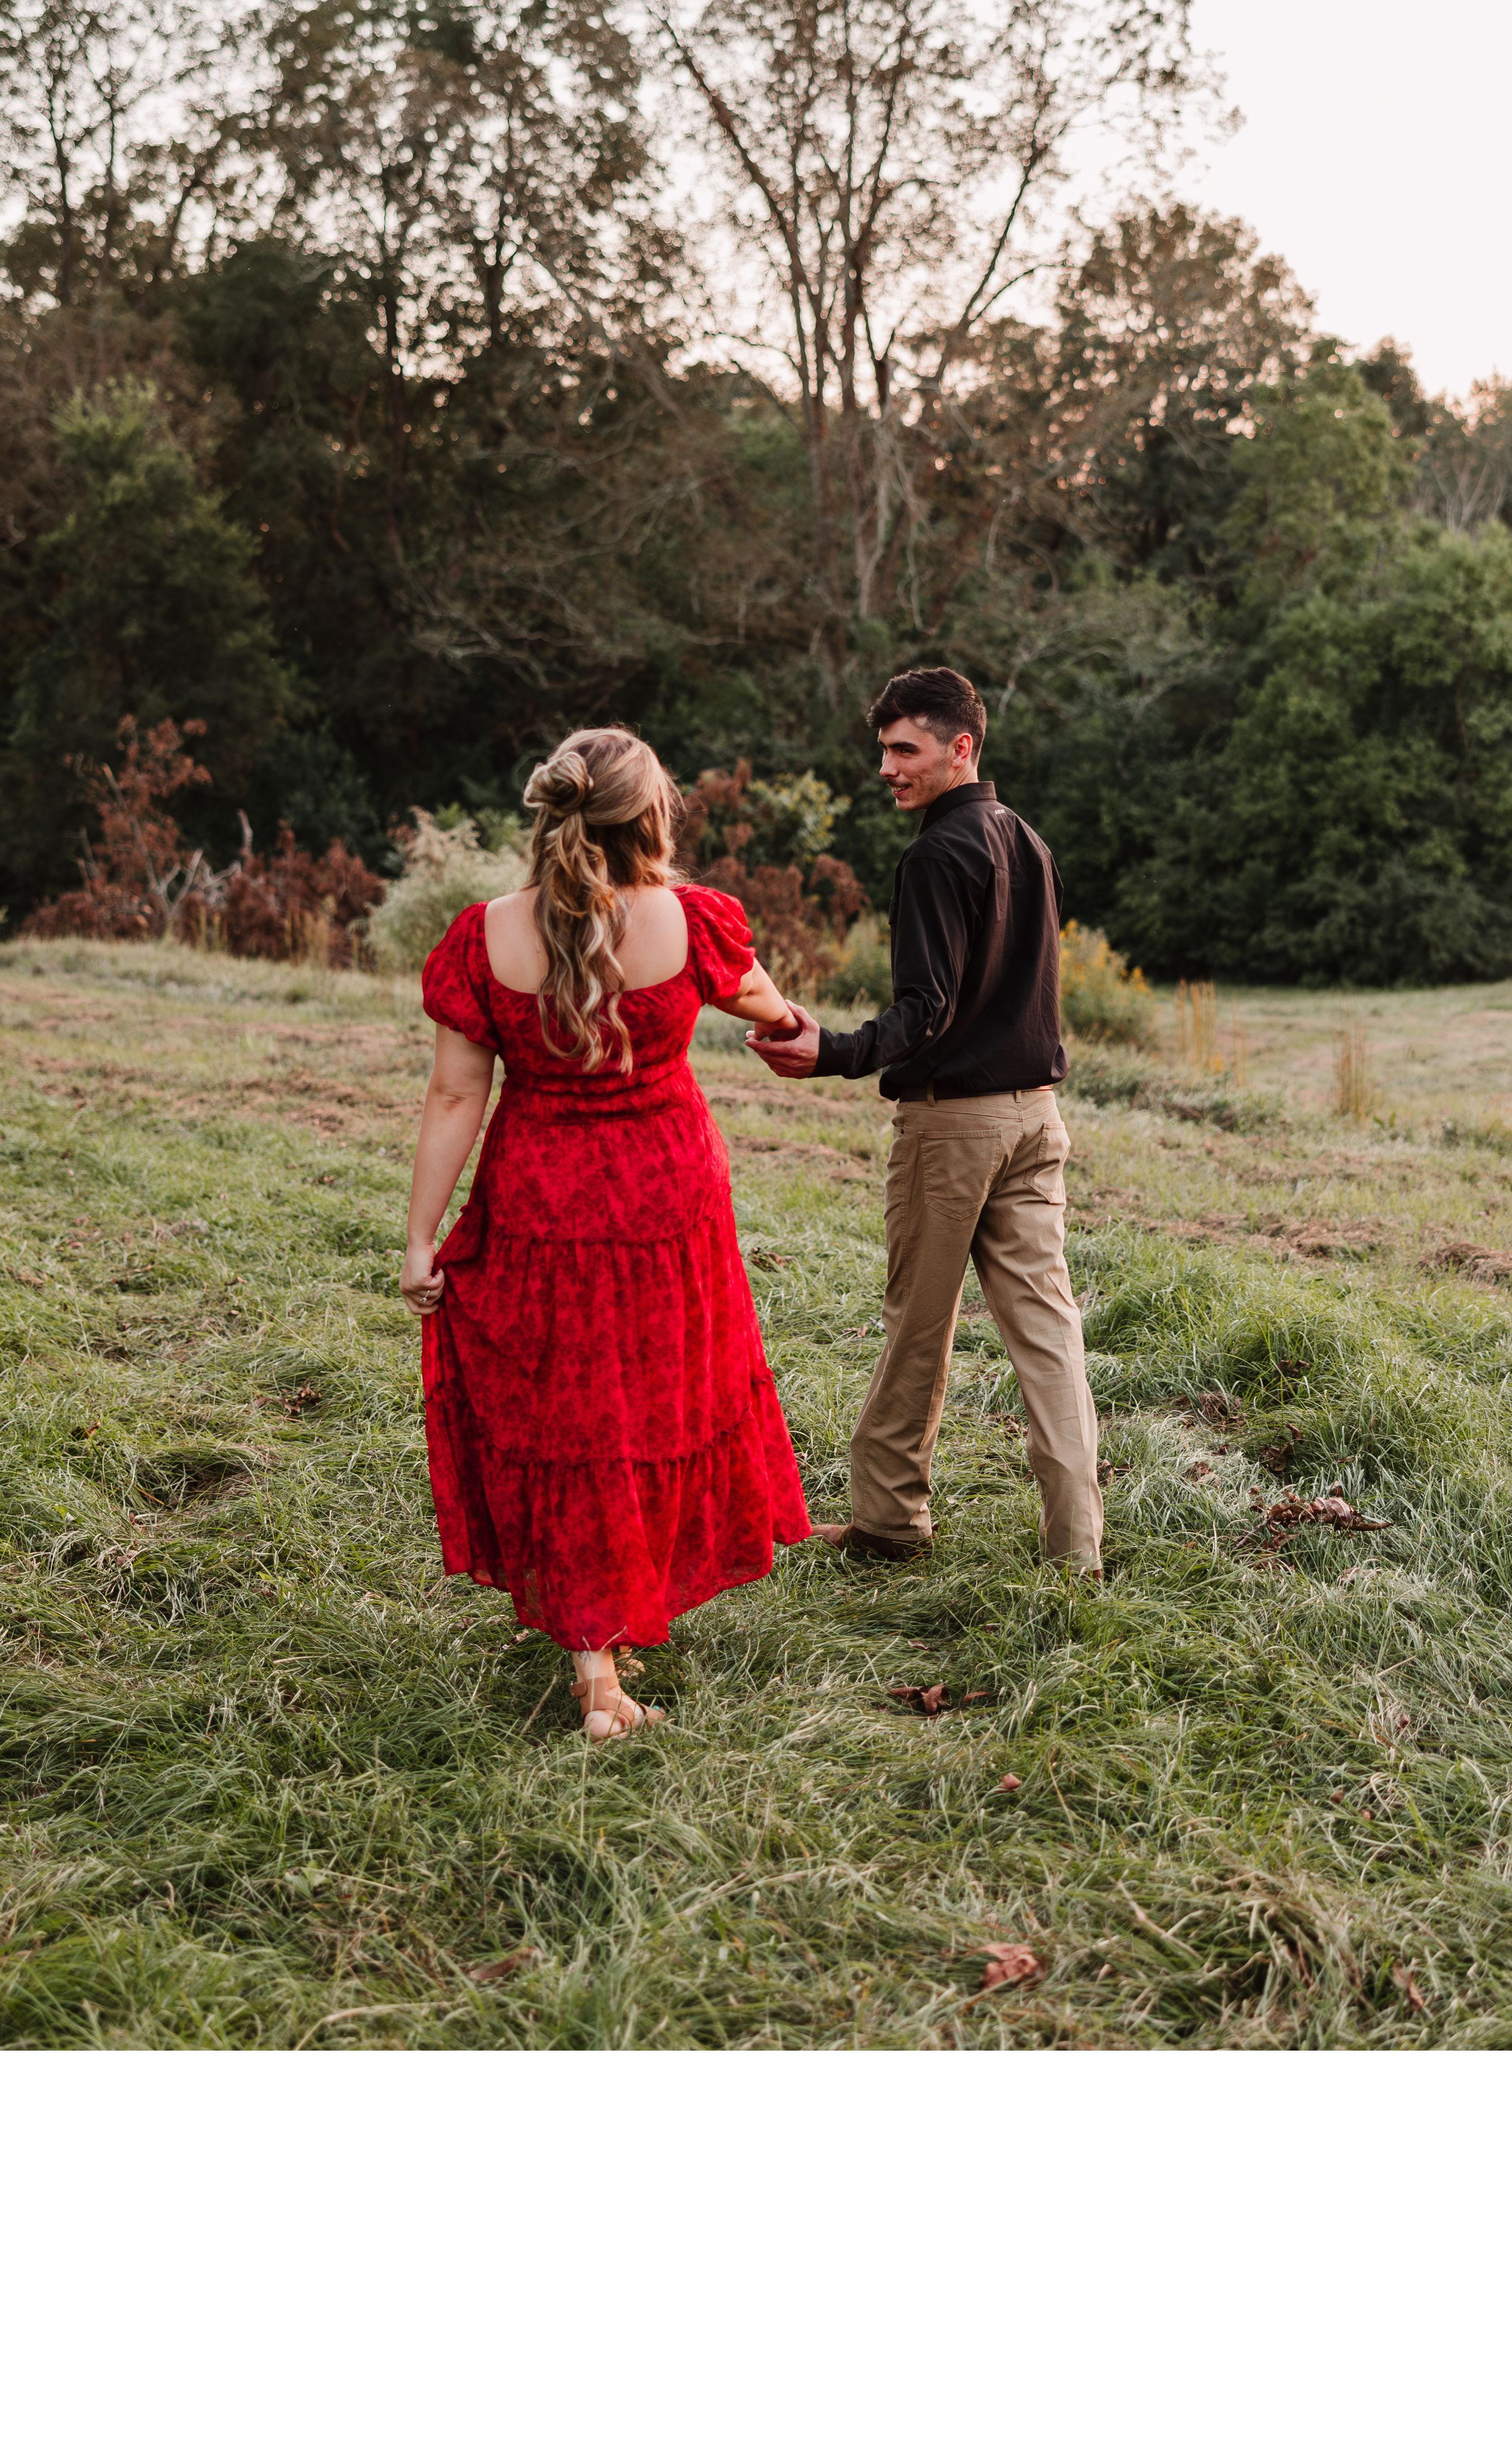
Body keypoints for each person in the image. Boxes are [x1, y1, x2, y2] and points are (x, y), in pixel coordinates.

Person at [400, 726, 813, 1739]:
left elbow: (454, 1096)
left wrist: (420, 1239)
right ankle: (622, 1623)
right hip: (669, 1198)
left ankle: (596, 1661)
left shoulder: (483, 938)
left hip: (543, 1201)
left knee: (573, 1416)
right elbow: (767, 1007)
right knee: (654, 1403)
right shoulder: (695, 920)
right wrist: (790, 1021)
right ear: (652, 818)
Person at [747, 666, 1102, 1576]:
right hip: (1038, 1119)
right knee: (1050, 1334)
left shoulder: (937, 854)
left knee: (918, 1325)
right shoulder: (1026, 839)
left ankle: (889, 1523)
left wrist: (831, 1050)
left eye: (905, 750)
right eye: (884, 750)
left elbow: (928, 1011)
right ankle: (1077, 1550)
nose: (887, 768)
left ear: (961, 747)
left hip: (956, 1130)